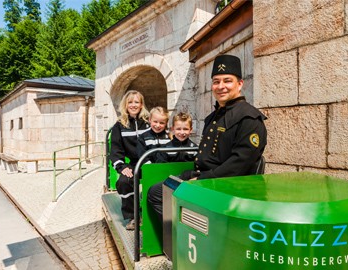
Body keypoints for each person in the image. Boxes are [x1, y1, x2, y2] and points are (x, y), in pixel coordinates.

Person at [147, 54, 267, 222]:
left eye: (227, 81)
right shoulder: (213, 117)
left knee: (159, 194)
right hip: (205, 178)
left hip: (225, 185)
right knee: (156, 192)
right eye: (216, 81)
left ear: (240, 84)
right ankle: (181, 237)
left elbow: (239, 164)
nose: (221, 86)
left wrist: (201, 179)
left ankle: (186, 236)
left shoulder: (249, 118)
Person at [109, 90, 150, 230]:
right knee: (123, 182)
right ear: (125, 105)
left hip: (150, 162)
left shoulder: (149, 121)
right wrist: (122, 167)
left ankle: (152, 214)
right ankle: (133, 217)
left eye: (136, 102)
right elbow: (115, 151)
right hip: (134, 164)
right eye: (130, 102)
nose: (133, 105)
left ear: (141, 104)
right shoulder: (119, 126)